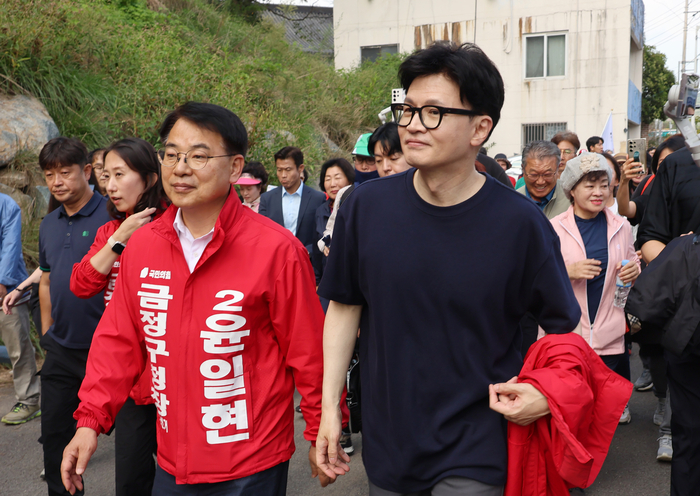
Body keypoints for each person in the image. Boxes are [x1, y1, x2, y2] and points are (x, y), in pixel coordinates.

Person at [315, 42, 592, 496]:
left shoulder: (520, 223)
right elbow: (344, 308)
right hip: (389, 446)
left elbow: (562, 329)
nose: (411, 125)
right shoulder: (364, 207)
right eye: (407, 110)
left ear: (479, 127)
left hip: (478, 443)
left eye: (433, 113)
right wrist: (331, 410)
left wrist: (546, 392)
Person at [61, 102, 328, 495]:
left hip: (250, 464)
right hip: (172, 463)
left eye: (198, 156)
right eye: (171, 155)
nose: (180, 167)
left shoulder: (276, 250)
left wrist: (322, 431)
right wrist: (89, 422)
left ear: (236, 168)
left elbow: (308, 354)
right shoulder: (143, 247)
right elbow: (118, 342)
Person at [70, 137, 168, 496]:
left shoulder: (175, 227)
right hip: (126, 376)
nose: (109, 185)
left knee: (186, 477)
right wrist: (121, 239)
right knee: (130, 480)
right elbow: (81, 283)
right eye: (105, 175)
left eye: (119, 174)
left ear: (150, 178)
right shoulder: (110, 231)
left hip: (171, 374)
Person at [37, 137, 111, 496]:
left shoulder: (112, 214)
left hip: (109, 350)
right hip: (62, 350)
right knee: (54, 438)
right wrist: (47, 332)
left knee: (139, 443)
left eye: (65, 172)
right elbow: (47, 280)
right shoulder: (49, 222)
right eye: (49, 174)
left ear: (86, 172)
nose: (57, 182)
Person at [548, 152, 640, 423]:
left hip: (608, 335)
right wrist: (567, 271)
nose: (599, 192)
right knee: (568, 407)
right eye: (589, 185)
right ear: (572, 190)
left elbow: (632, 261)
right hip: (566, 336)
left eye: (603, 183)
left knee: (600, 410)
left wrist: (635, 270)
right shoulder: (553, 228)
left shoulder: (620, 226)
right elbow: (532, 278)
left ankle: (590, 463)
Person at [0, 192, 41, 425]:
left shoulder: (5, 204)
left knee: (18, 345)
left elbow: (10, 244)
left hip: (8, 290)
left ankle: (28, 400)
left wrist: (3, 281)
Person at [259, 146, 326, 283]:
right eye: (279, 170)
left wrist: (305, 252)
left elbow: (320, 233)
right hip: (274, 268)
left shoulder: (317, 198)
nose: (283, 175)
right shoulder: (267, 199)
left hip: (307, 267)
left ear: (300, 168)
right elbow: (262, 234)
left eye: (288, 170)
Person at [516, 140, 570, 219]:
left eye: (547, 174)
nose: (540, 182)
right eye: (534, 175)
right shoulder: (512, 202)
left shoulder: (572, 199)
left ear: (558, 169)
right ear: (523, 169)